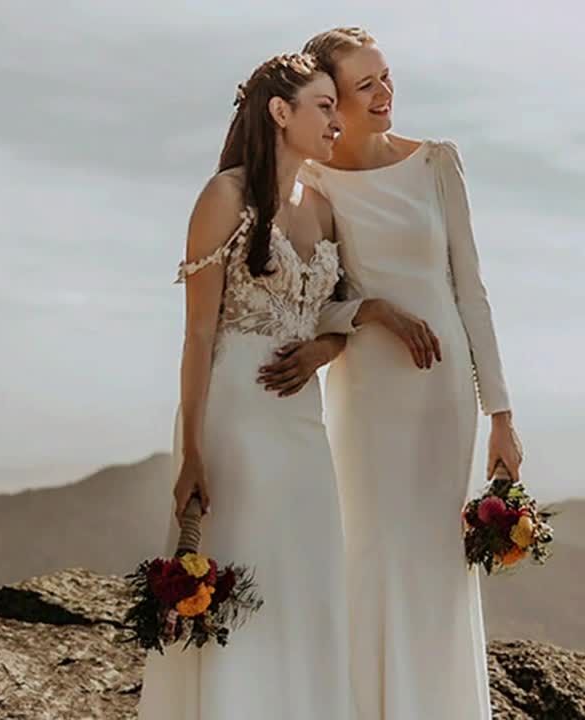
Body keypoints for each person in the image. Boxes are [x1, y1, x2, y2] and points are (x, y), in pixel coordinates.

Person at [258, 27, 525, 720]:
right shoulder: (312, 181)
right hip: (368, 387)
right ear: (333, 103)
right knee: (371, 549)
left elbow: (471, 288)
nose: (385, 95)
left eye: (387, 78)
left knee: (438, 554)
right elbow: (315, 296)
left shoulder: (437, 161)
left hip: (442, 392)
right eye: (365, 85)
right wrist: (366, 314)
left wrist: (501, 411)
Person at [136, 53, 354, 720]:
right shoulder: (224, 196)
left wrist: (322, 348)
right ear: (280, 112)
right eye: (324, 105)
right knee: (245, 571)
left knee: (305, 577)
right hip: (234, 414)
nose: (337, 122)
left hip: (302, 423)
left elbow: (340, 317)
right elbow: (198, 334)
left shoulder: (323, 208)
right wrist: (193, 452)